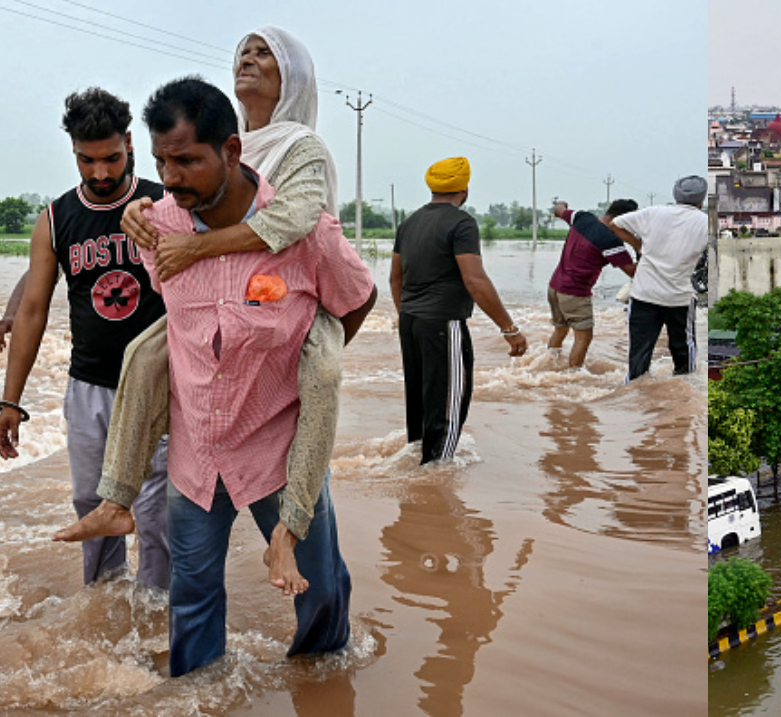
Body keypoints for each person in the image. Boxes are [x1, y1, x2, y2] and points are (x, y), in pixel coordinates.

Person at [55, 28, 346, 588]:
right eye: (244, 51)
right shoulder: (221, 144)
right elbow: (180, 196)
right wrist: (141, 210)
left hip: (291, 296)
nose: (249, 60)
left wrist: (196, 248)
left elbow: (291, 221)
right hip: (218, 302)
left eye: (265, 53)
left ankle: (291, 528)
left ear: (295, 77)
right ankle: (116, 499)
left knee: (323, 376)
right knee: (143, 355)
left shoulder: (301, 146)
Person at [139, 76, 375, 677]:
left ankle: (320, 688)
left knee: (320, 589)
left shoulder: (307, 235)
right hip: (196, 453)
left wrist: (310, 359)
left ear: (231, 150)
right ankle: (200, 696)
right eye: (161, 161)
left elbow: (358, 298)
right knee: (192, 599)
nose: (170, 178)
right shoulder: (158, 226)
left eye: (187, 160)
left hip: (277, 449)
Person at [0, 88, 171, 591]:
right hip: (90, 386)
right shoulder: (56, 219)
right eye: (86, 160)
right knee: (91, 506)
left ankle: (158, 607)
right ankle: (105, 604)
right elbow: (33, 309)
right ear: (73, 151)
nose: (99, 173)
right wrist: (9, 399)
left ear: (129, 144)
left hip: (162, 383)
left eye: (111, 158)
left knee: (158, 512)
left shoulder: (163, 205)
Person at [390, 157, 529, 464]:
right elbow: (475, 280)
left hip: (410, 321)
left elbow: (395, 278)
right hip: (442, 322)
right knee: (448, 404)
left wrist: (406, 313)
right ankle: (436, 477)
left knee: (421, 399)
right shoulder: (461, 223)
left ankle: (417, 467)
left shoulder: (409, 223)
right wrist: (510, 329)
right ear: (464, 189)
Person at [609, 176, 709, 382]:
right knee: (684, 358)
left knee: (638, 358)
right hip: (679, 300)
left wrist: (638, 246)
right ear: (701, 201)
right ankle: (685, 395)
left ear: (676, 195)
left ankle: (634, 396)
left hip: (644, 295)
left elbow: (615, 224)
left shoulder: (654, 213)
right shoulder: (704, 223)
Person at [546, 199, 638, 368]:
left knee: (560, 329)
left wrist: (562, 204)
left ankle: (549, 365)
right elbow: (632, 271)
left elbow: (559, 209)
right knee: (584, 336)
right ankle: (573, 375)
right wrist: (642, 249)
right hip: (575, 293)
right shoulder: (610, 241)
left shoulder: (582, 217)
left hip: (554, 287)